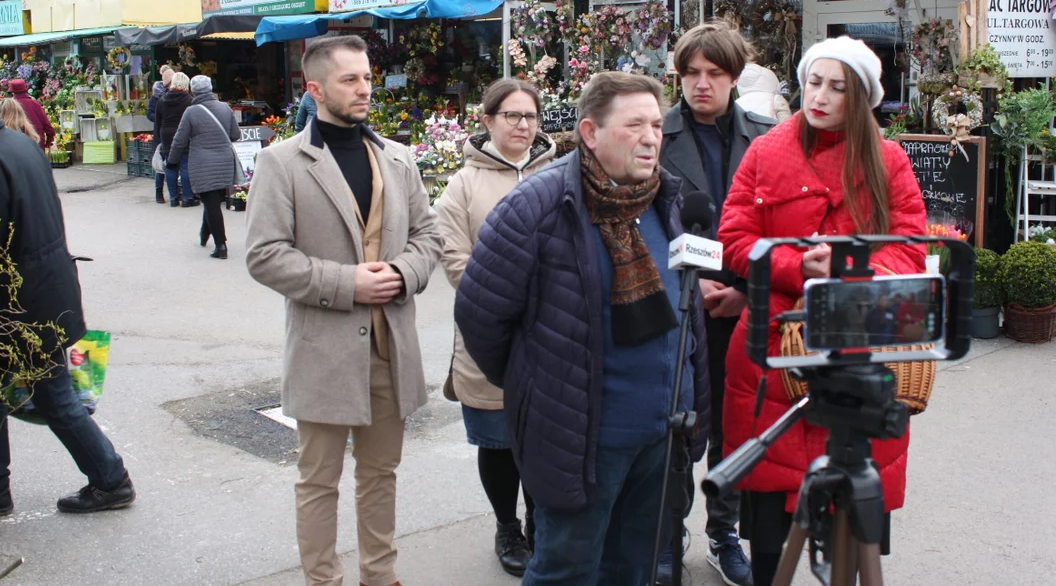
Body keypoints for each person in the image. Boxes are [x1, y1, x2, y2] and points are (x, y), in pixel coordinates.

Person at [455, 71, 711, 586]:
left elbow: (689, 312)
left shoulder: (668, 200)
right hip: (581, 440)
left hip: (661, 436)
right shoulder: (538, 206)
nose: (650, 137)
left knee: (634, 568)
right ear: (591, 133)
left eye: (657, 125)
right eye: (634, 124)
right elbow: (481, 315)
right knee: (567, 569)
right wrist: (542, 386)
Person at [717, 36, 927, 586]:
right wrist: (796, 269)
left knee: (855, 531)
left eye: (837, 87)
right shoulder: (764, 152)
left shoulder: (888, 159)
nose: (821, 96)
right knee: (768, 534)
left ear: (859, 96)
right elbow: (735, 237)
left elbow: (909, 247)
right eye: (814, 82)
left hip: (860, 339)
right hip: (772, 347)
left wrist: (846, 269)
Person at [245, 35, 442, 586]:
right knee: (319, 480)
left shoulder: (397, 158)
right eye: (349, 79)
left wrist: (404, 274)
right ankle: (323, 580)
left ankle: (380, 576)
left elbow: (429, 236)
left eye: (367, 77)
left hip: (391, 348)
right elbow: (264, 256)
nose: (364, 88)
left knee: (381, 475)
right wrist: (346, 283)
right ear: (315, 89)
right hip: (324, 352)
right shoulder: (281, 162)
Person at [0, 82, 135, 517]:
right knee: (32, 396)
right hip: (42, 295)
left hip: (12, 307)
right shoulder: (18, 144)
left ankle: (108, 480)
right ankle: (106, 479)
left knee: (27, 398)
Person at [658, 22, 776, 586]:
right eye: (691, 74)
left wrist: (747, 291)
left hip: (746, 306)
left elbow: (780, 227)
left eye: (714, 73)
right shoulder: (656, 133)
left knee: (736, 430)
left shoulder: (767, 137)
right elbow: (644, 221)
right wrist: (695, 281)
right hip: (679, 307)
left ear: (734, 75)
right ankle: (667, 531)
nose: (701, 84)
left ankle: (723, 532)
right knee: (679, 425)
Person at [435, 78, 556, 577]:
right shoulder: (463, 185)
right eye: (512, 116)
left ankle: (541, 524)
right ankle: (507, 524)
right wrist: (515, 298)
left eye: (530, 116)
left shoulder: (563, 174)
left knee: (549, 439)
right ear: (487, 121)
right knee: (499, 440)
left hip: (556, 332)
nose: (523, 126)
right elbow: (455, 259)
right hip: (492, 334)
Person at [167, 75, 241, 260]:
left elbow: (179, 140)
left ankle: (220, 245)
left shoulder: (191, 112)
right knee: (213, 200)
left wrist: (172, 161)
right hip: (224, 161)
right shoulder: (225, 107)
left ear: (193, 90)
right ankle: (204, 234)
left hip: (202, 162)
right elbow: (235, 134)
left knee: (211, 203)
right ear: (210, 88)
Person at [155, 72, 197, 208]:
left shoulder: (161, 100)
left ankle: (173, 198)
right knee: (185, 165)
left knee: (170, 165)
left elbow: (158, 122)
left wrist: (158, 139)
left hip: (166, 135)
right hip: (184, 134)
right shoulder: (189, 101)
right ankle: (187, 198)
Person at [147, 65, 174, 204]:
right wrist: (159, 118)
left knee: (171, 163)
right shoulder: (156, 98)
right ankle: (159, 191)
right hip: (159, 133)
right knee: (160, 164)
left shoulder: (174, 95)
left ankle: (173, 192)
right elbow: (149, 114)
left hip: (170, 132)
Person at [7, 78, 54, 150]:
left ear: (12, 92)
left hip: (18, 147)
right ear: (26, 89)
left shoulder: (10, 107)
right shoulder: (34, 104)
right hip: (37, 145)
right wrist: (48, 141)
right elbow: (48, 126)